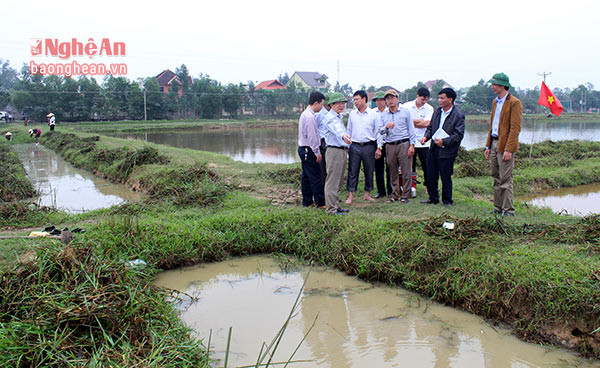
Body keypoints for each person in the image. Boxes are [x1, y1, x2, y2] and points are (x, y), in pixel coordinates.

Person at [485, 73, 522, 217]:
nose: (492, 87)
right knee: (495, 176)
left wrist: (509, 149)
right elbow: (493, 125)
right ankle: (498, 207)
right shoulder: (496, 102)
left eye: (494, 84)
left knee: (505, 178)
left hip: (505, 144)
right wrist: (488, 146)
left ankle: (508, 209)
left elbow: (515, 128)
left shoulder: (514, 102)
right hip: (494, 142)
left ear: (502, 85)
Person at [420, 88, 465, 206]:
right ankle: (433, 198)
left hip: (447, 150)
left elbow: (458, 135)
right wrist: (426, 137)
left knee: (445, 176)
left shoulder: (458, 115)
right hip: (434, 148)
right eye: (439, 98)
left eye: (442, 98)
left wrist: (444, 142)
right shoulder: (437, 112)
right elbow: (431, 128)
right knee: (431, 175)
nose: (439, 100)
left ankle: (447, 200)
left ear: (450, 99)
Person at [345, 90, 381, 204]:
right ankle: (350, 195)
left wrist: (379, 147)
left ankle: (367, 194)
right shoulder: (352, 114)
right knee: (352, 171)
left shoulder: (374, 114)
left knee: (369, 170)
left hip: (369, 145)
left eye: (357, 99)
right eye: (354, 100)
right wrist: (347, 145)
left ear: (364, 99)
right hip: (354, 145)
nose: (355, 102)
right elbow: (349, 130)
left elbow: (378, 132)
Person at [379, 89, 415, 203]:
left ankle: (406, 194)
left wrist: (412, 145)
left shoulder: (405, 112)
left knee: (406, 170)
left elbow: (411, 129)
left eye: (392, 98)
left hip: (403, 143)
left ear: (397, 99)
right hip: (390, 144)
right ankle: (394, 194)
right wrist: (386, 127)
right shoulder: (384, 114)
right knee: (392, 170)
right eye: (387, 99)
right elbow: (380, 131)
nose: (390, 101)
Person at [322, 92, 352, 215]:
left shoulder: (338, 117)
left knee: (338, 181)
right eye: (338, 103)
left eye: (343, 103)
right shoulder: (330, 118)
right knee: (332, 181)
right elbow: (337, 129)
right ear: (332, 105)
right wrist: (343, 135)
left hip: (341, 151)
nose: (341, 105)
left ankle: (335, 205)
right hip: (334, 151)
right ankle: (331, 209)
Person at [403, 87, 434, 196]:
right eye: (422, 99)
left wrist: (412, 122)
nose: (424, 102)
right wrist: (418, 121)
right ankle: (411, 187)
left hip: (424, 142)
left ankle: (428, 187)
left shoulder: (429, 108)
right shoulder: (406, 106)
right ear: (417, 96)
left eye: (426, 100)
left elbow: (427, 124)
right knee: (409, 166)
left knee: (427, 166)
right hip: (410, 141)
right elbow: (403, 121)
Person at [298, 91, 326, 208]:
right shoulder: (309, 117)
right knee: (315, 176)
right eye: (322, 104)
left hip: (303, 149)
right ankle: (320, 202)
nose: (322, 107)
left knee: (306, 176)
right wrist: (317, 152)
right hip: (308, 150)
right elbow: (312, 137)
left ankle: (308, 201)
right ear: (316, 103)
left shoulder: (306, 114)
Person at [371, 91, 392, 198]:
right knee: (378, 168)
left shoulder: (389, 112)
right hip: (377, 143)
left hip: (388, 142)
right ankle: (381, 191)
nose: (379, 102)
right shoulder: (373, 113)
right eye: (377, 100)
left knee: (390, 167)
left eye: (381, 100)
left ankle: (391, 190)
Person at [315, 93, 332, 193]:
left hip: (330, 143)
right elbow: (315, 129)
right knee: (324, 169)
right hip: (323, 143)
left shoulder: (333, 114)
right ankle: (324, 192)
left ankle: (330, 192)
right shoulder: (320, 114)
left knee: (330, 168)